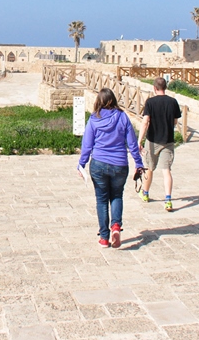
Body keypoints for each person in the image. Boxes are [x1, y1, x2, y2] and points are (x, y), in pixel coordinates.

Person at [78, 88, 144, 248]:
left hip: (99, 163)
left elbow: (87, 145)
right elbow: (132, 143)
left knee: (101, 200)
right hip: (120, 164)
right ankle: (116, 226)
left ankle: (104, 237)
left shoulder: (94, 119)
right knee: (117, 196)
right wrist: (138, 162)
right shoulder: (123, 117)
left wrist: (81, 163)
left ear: (98, 102)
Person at [137, 77, 182, 212]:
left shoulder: (150, 102)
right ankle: (168, 200)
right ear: (165, 87)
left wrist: (139, 141)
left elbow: (145, 122)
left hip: (152, 140)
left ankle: (145, 193)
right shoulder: (173, 102)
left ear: (154, 88)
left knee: (149, 168)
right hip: (168, 141)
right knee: (166, 170)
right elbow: (175, 122)